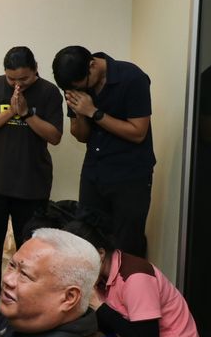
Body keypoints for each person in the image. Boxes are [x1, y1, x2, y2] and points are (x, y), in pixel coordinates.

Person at [28, 201, 206, 337]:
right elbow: (110, 326)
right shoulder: (101, 277)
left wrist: (98, 306)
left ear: (100, 254)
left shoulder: (135, 277)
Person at [0, 46, 63, 311]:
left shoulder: (49, 92)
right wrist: (10, 112)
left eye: (23, 78)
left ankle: (24, 297)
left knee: (29, 246)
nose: (17, 84)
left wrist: (27, 113)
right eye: (11, 79)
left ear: (35, 70)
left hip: (32, 182)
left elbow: (54, 136)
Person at [52, 46, 155, 257]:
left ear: (92, 65)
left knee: (126, 245)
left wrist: (93, 112)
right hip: (94, 172)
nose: (78, 90)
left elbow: (138, 132)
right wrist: (81, 114)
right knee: (87, 241)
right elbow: (81, 135)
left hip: (130, 175)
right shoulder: (74, 83)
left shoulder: (132, 78)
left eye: (81, 85)